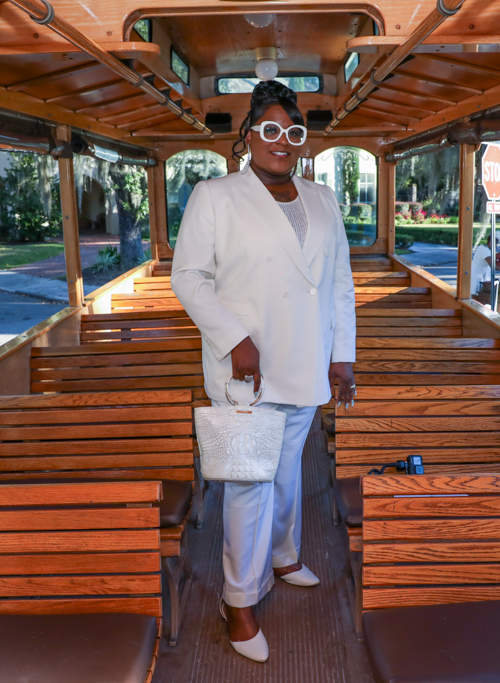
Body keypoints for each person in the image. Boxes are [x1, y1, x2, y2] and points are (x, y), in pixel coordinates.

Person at [171, 81, 357, 663]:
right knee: (248, 482)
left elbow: (339, 284)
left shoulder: (323, 198)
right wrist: (235, 339)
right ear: (248, 136)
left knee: (287, 471)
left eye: (293, 131)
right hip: (246, 368)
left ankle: (283, 555)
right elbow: (189, 278)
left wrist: (342, 355)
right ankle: (239, 602)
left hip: (306, 361)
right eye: (270, 129)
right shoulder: (215, 196)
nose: (283, 140)